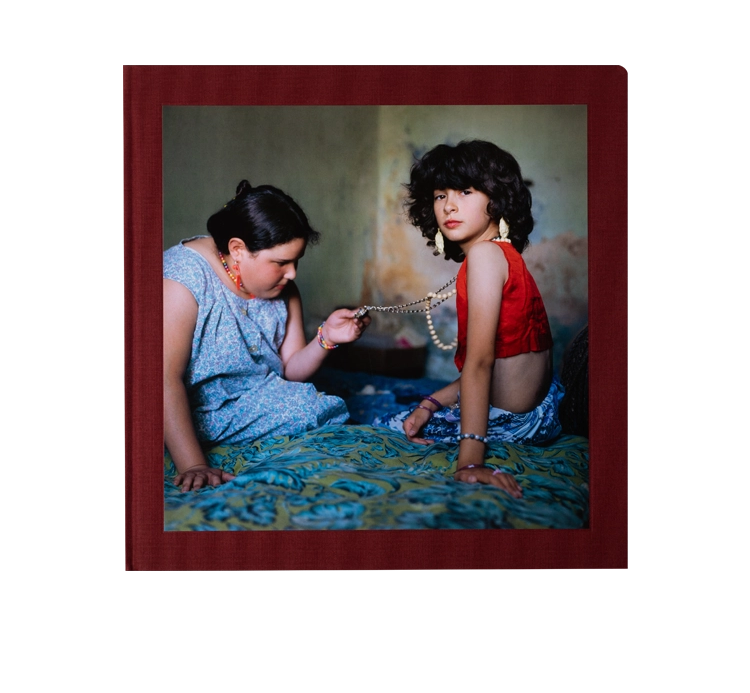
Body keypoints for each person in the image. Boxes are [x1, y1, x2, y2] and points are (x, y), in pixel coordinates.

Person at [373, 140, 564, 499]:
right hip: (541, 415)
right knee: (416, 410)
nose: (449, 205)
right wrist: (431, 404)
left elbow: (480, 363)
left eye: (465, 191)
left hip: (515, 423)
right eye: (440, 195)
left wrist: (471, 463)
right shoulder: (501, 254)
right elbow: (502, 367)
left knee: (384, 424)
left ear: (497, 200)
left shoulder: (484, 257)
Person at [164, 180, 369, 492]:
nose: (293, 273)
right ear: (238, 250)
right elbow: (163, 379)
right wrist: (194, 465)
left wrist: (327, 337)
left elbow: (291, 370)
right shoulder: (183, 280)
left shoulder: (283, 287)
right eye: (281, 263)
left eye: (296, 261)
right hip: (185, 405)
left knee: (316, 407)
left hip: (248, 402)